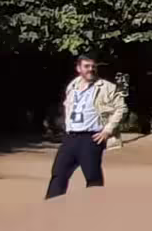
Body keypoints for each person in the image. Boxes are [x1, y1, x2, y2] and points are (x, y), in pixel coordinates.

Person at [46, 55, 123, 200]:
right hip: (71, 137)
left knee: (92, 176)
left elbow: (120, 109)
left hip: (91, 137)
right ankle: (51, 207)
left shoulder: (107, 87)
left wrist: (107, 130)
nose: (91, 69)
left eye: (93, 66)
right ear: (78, 68)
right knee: (58, 173)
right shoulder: (72, 86)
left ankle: (94, 210)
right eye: (87, 66)